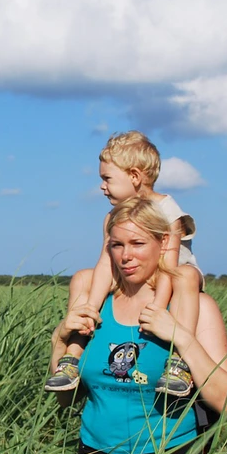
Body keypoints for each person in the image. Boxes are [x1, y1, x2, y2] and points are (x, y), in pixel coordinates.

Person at [49, 197, 227, 454]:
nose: (126, 256)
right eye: (117, 245)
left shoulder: (195, 305)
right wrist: (60, 337)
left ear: (162, 245)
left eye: (137, 244)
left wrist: (181, 338)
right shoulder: (94, 300)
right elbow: (64, 400)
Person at [45, 131, 203, 397]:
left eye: (107, 178)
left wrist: (156, 308)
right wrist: (91, 309)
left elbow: (168, 267)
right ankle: (71, 359)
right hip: (132, 275)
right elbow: (106, 262)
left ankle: (178, 364)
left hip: (170, 276)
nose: (101, 186)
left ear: (134, 177)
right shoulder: (113, 217)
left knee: (185, 275)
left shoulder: (168, 212)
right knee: (83, 277)